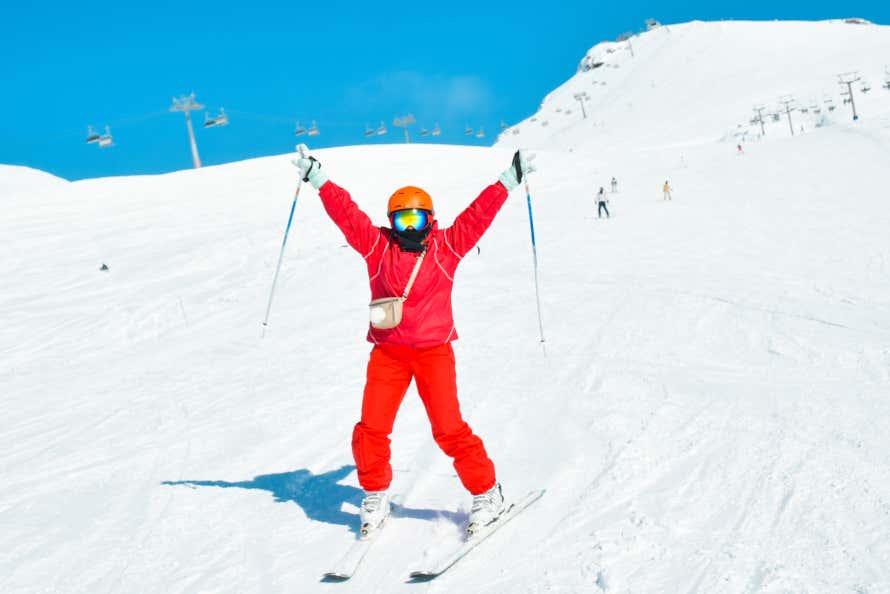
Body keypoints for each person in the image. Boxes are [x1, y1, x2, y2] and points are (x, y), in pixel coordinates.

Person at [292, 146, 535, 537]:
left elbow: (477, 216)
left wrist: (508, 180)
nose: (409, 226)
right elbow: (346, 214)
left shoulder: (447, 247)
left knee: (448, 429)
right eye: (402, 219)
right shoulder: (377, 248)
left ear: (429, 219)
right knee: (371, 428)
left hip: (434, 353)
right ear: (392, 221)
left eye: (416, 218)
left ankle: (488, 492)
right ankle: (375, 493)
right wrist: (317, 178)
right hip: (387, 354)